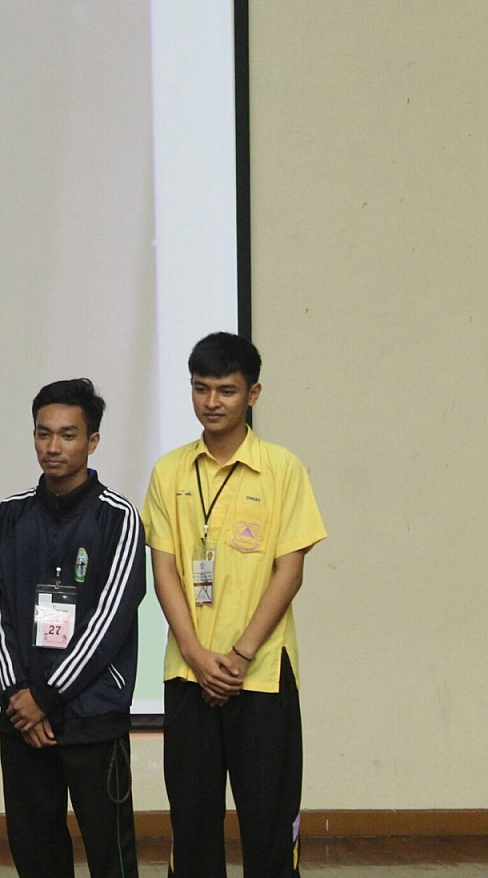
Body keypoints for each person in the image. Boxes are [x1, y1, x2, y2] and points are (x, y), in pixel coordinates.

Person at [144, 333, 326, 877]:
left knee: (268, 823)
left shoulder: (282, 468)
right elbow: (164, 570)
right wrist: (197, 655)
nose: (212, 402)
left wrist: (241, 656)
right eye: (201, 389)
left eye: (226, 390)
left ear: (253, 393)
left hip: (263, 674)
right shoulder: (170, 471)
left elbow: (289, 572)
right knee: (193, 822)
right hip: (189, 673)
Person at [0, 379, 145, 878]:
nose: (53, 447)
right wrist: (19, 696)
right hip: (24, 720)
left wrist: (47, 696)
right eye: (43, 433)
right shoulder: (9, 516)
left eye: (68, 435)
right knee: (35, 854)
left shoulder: (118, 518)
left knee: (110, 856)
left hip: (93, 716)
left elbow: (111, 621)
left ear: (92, 441)